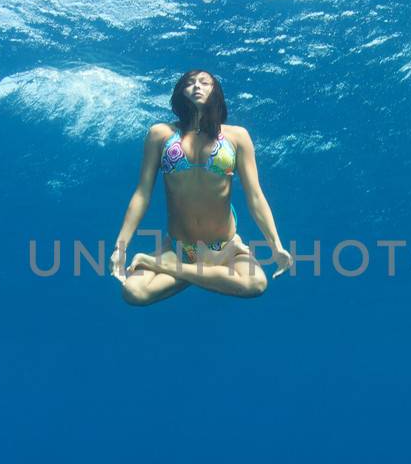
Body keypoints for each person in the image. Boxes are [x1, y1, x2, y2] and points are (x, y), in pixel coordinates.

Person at [112, 68, 294, 304]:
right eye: (190, 82)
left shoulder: (237, 137)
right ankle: (204, 275)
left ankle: (166, 267)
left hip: (225, 248)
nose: (197, 86)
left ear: (215, 91)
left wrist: (276, 245)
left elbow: (256, 197)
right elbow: (142, 194)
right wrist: (121, 246)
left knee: (256, 283)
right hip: (179, 248)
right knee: (133, 293)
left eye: (205, 82)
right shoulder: (160, 134)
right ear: (180, 92)